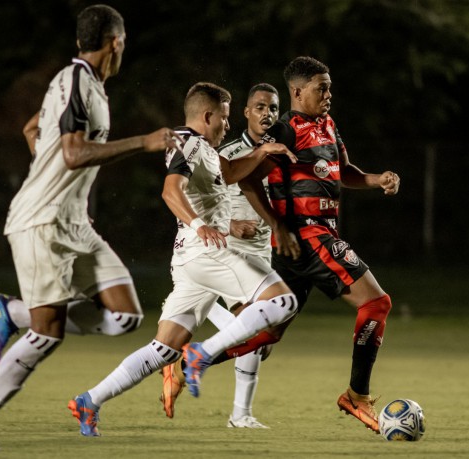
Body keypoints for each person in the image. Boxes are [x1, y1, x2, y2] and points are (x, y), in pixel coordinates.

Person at [0, 5, 181, 451]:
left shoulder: (81, 82)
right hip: (42, 221)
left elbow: (32, 128)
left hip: (72, 220)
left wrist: (52, 174)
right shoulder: (76, 81)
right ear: (115, 42)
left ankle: (10, 313)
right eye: (124, 39)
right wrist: (143, 142)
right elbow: (73, 154)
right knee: (47, 333)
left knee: (125, 315)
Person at [181, 56, 401, 434]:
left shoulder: (328, 125)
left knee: (268, 334)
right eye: (322, 87)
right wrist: (276, 224)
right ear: (298, 91)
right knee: (376, 303)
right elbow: (247, 181)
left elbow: (345, 173)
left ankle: (195, 358)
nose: (329, 93)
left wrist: (376, 178)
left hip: (305, 243)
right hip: (310, 235)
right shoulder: (284, 131)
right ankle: (357, 396)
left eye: (329, 86)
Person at [67, 82, 299, 437]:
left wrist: (264, 151)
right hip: (205, 251)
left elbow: (231, 172)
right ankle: (201, 354)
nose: (227, 123)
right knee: (283, 302)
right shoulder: (189, 143)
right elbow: (169, 189)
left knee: (162, 349)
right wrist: (201, 224)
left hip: (189, 260)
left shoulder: (204, 148)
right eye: (223, 116)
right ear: (207, 116)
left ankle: (89, 400)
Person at [159, 83, 281, 429]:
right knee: (259, 330)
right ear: (245, 113)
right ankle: (239, 414)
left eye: (273, 108)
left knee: (261, 339)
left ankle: (185, 355)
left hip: (258, 251)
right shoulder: (220, 148)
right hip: (226, 249)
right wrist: (230, 224)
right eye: (259, 107)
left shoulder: (275, 151)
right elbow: (203, 194)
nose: (267, 114)